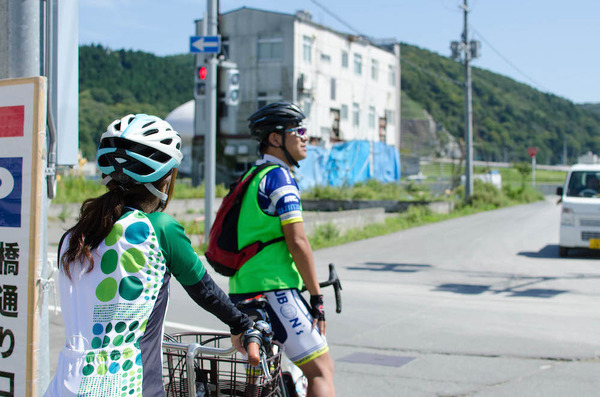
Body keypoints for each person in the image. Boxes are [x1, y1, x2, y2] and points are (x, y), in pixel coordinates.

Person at [45, 114, 256, 396]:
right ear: (165, 180)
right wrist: (242, 325)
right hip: (127, 385)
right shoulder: (157, 229)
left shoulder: (74, 237)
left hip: (65, 385)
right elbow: (204, 289)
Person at [228, 102, 336, 397]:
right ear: (275, 139)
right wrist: (317, 297)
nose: (305, 137)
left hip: (244, 289)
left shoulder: (252, 177)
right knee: (321, 370)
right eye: (298, 130)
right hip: (273, 290)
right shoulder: (279, 177)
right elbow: (298, 241)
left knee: (273, 379)